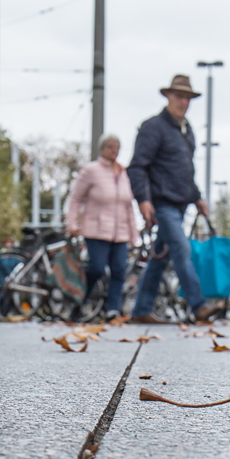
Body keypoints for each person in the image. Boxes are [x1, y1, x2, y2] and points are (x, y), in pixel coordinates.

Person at [126, 74, 223, 324]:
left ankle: (141, 310)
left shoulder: (186, 130)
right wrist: (143, 200)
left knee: (160, 257)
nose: (184, 102)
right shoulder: (153, 127)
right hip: (162, 202)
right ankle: (199, 305)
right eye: (179, 96)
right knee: (181, 248)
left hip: (181, 203)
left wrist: (198, 198)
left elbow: (185, 170)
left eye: (187, 98)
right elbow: (137, 167)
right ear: (168, 96)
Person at [67, 134, 137, 320]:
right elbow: (76, 198)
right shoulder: (91, 171)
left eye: (118, 146)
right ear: (101, 148)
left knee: (119, 270)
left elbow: (128, 206)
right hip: (96, 230)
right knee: (96, 268)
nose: (114, 150)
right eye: (110, 146)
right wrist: (72, 223)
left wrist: (134, 234)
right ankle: (80, 299)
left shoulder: (123, 173)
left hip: (120, 232)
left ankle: (113, 310)